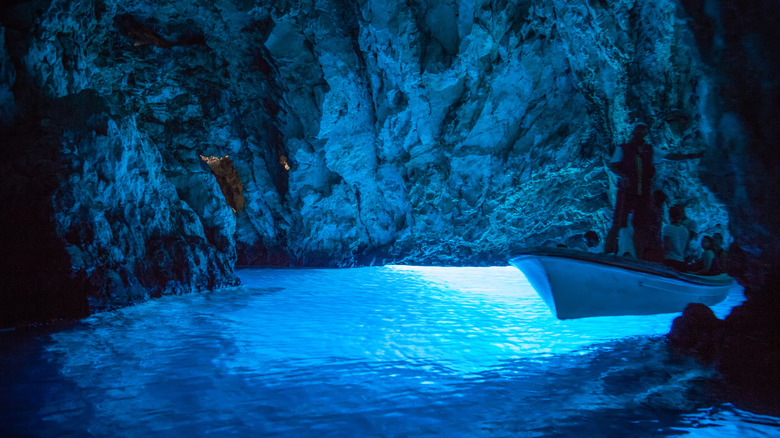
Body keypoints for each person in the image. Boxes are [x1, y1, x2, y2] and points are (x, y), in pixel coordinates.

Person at [663, 205, 690, 271]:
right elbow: (687, 247)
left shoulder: (668, 228)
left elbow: (667, 246)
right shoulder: (685, 230)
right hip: (681, 261)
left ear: (670, 216)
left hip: (670, 260)